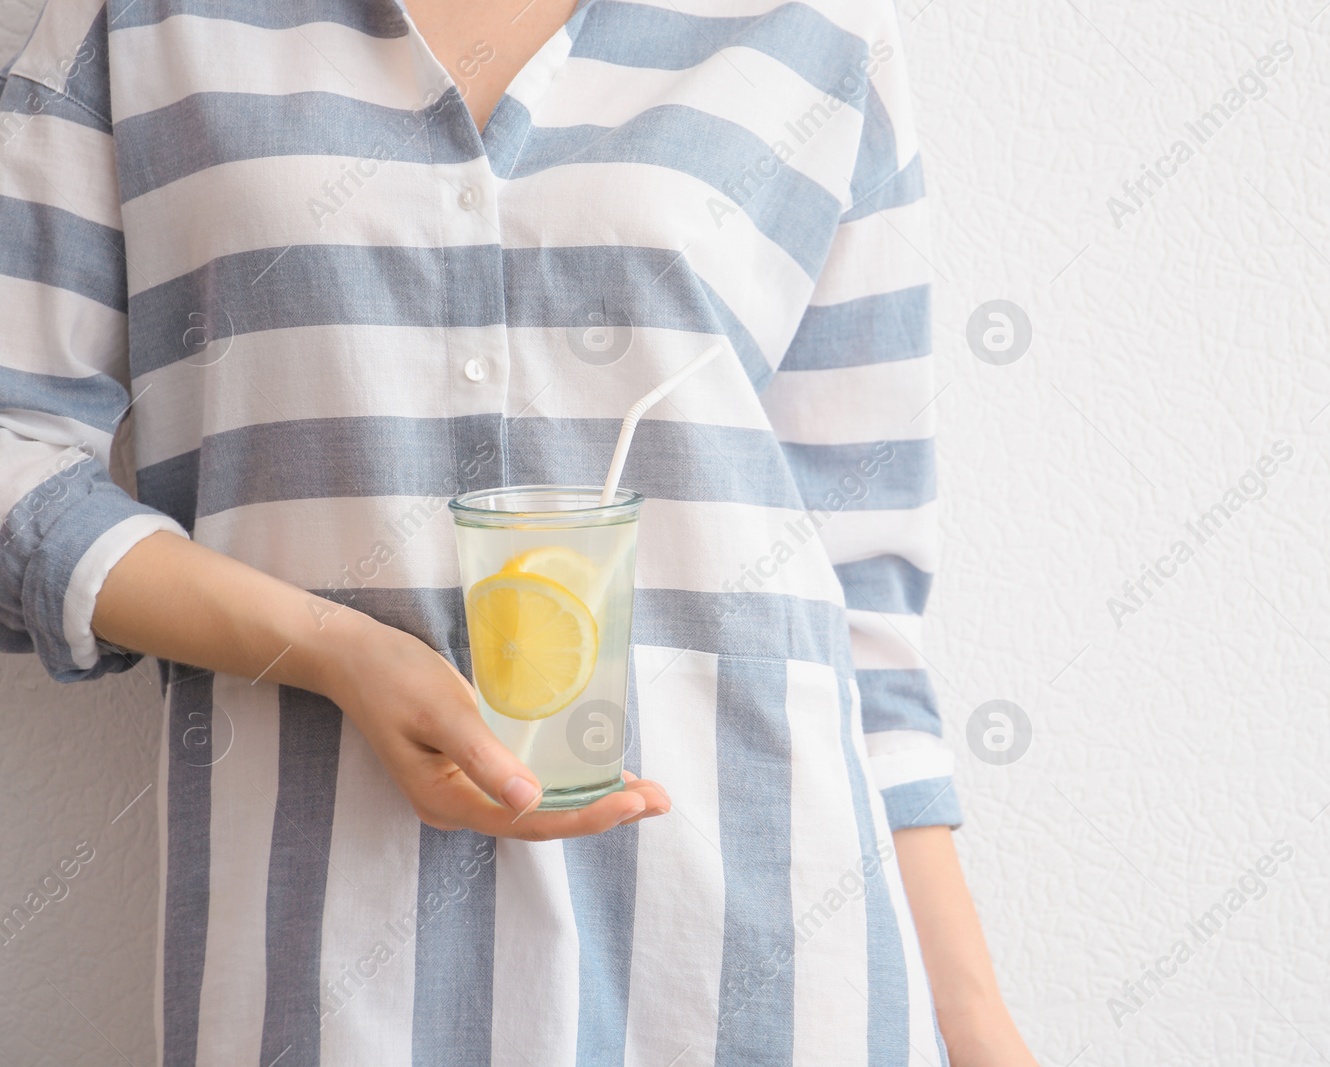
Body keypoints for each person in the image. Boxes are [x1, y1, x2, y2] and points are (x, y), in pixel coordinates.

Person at [0, 0, 1037, 1062]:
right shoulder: (134, 23)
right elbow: (13, 461)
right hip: (329, 962)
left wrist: (976, 1025)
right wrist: (334, 646)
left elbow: (860, 610)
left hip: (761, 974)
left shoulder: (818, 28)